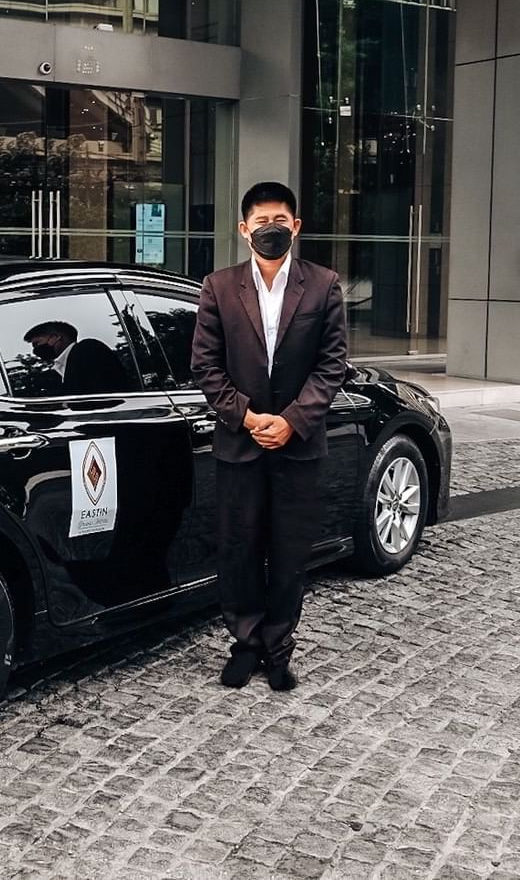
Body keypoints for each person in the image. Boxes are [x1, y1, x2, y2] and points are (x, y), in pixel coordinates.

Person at [191, 181, 348, 692]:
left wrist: (292, 420)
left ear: (296, 226)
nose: (271, 229)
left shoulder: (324, 285)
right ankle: (245, 644)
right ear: (244, 229)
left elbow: (331, 367)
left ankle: (278, 648)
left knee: (288, 552)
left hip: (299, 446)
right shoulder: (218, 286)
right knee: (237, 550)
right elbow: (206, 368)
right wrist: (250, 417)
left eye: (280, 220)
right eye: (261, 222)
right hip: (240, 443)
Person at [24, 321, 128, 395]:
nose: (35, 350)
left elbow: (103, 394)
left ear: (55, 337)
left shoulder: (88, 349)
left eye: (37, 344)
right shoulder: (62, 367)